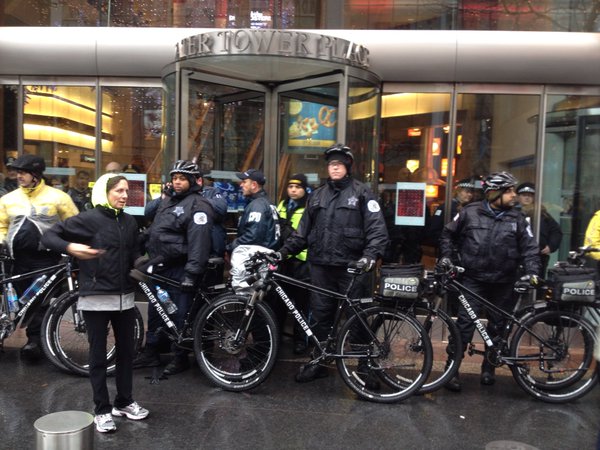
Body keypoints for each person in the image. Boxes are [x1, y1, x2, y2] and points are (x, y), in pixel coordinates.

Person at [41, 173, 148, 433]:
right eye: (119, 191)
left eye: (127, 191)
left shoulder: (130, 222)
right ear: (104, 192)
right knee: (98, 357)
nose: (124, 196)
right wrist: (70, 247)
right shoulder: (87, 220)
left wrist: (140, 263)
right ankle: (101, 409)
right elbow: (48, 236)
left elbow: (133, 252)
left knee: (126, 353)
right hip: (96, 299)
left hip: (124, 299)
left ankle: (124, 402)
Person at [278, 144, 388, 383]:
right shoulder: (317, 195)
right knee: (320, 316)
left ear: (347, 167)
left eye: (339, 164)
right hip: (321, 267)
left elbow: (377, 231)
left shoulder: (362, 193)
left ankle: (364, 365)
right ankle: (319, 360)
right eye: (331, 164)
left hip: (352, 267)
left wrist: (369, 257)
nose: (334, 167)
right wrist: (282, 253)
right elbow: (301, 234)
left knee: (357, 316)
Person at [438, 171, 541, 391]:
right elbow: (448, 235)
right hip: (473, 280)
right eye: (510, 191)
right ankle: (452, 369)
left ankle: (489, 367)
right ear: (495, 193)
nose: (514, 195)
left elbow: (530, 249)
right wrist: (447, 257)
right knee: (464, 326)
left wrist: (532, 272)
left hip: (504, 281)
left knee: (498, 327)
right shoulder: (469, 212)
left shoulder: (518, 218)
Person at [133, 160, 214, 375]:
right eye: (175, 178)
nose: (177, 182)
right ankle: (152, 352)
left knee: (179, 314)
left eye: (182, 179)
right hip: (161, 266)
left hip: (181, 269)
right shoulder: (168, 201)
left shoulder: (199, 205)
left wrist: (192, 273)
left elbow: (200, 242)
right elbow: (157, 229)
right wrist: (139, 242)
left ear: (193, 181)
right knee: (157, 310)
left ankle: (180, 357)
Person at [0, 154, 79, 359]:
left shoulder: (59, 198)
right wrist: (1, 241)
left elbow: (74, 224)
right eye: (17, 172)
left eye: (23, 172)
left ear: (35, 174)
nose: (19, 176)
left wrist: (70, 247)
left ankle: (35, 341)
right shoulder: (8, 199)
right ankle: (5, 333)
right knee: (14, 300)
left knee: (41, 300)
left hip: (46, 260)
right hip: (16, 260)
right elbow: (1, 225)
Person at [276, 173, 311, 354]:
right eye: (290, 187)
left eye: (297, 187)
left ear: (304, 189)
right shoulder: (282, 205)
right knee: (281, 300)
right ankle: (278, 335)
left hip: (302, 262)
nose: (293, 190)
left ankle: (301, 339)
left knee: (301, 304)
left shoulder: (308, 206)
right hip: (285, 261)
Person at [226, 169, 279, 253]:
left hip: (258, 258)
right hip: (265, 256)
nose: (241, 185)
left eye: (244, 182)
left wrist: (230, 247)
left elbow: (252, 236)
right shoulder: (266, 202)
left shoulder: (258, 205)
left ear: (254, 185)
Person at [516, 182, 562, 277]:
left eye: (530, 195)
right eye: (524, 195)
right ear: (518, 197)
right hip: (517, 257)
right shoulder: (512, 213)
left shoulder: (542, 213)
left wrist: (551, 246)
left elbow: (556, 231)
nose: (527, 198)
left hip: (539, 256)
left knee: (537, 285)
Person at [429, 178, 475, 250]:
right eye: (467, 191)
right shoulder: (446, 207)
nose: (470, 194)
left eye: (471, 192)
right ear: (458, 191)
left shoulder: (468, 208)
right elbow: (434, 231)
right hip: (449, 249)